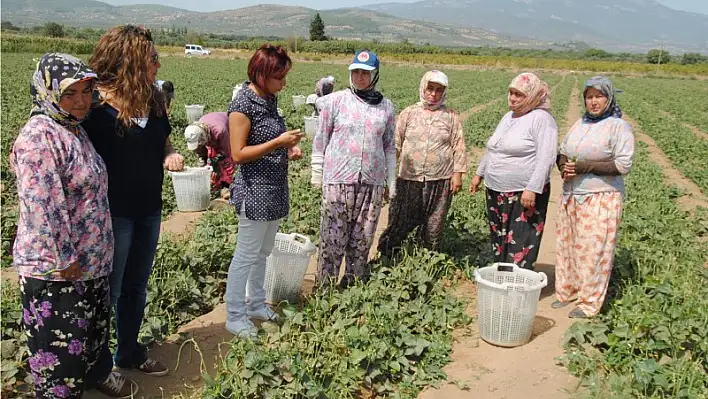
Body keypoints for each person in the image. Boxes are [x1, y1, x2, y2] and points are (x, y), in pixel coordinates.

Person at [82, 25, 184, 396]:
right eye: (153, 59)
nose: (158, 64)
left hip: (149, 208)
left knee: (136, 287)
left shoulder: (154, 100)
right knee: (108, 291)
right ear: (132, 62)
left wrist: (170, 153)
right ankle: (99, 366)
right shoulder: (93, 106)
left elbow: (164, 138)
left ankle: (129, 351)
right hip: (113, 214)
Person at [10, 53, 115, 399]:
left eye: (86, 91)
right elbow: (43, 207)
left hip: (88, 267)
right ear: (49, 91)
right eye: (71, 94)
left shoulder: (72, 130)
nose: (82, 101)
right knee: (59, 369)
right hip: (57, 274)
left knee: (83, 354)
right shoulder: (38, 138)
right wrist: (65, 259)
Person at [225, 44, 304, 338]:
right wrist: (278, 143)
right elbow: (238, 153)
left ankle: (256, 304)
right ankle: (235, 314)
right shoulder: (242, 105)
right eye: (280, 77)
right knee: (246, 254)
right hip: (254, 191)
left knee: (263, 252)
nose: (284, 84)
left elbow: (272, 136)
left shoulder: (269, 100)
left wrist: (290, 147)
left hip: (273, 189)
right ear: (262, 74)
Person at [311, 50, 396, 287]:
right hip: (338, 180)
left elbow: (389, 146)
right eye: (356, 72)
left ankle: (352, 287)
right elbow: (320, 139)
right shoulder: (335, 101)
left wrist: (392, 181)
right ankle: (324, 290)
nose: (360, 77)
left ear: (375, 75)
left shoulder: (386, 107)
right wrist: (317, 172)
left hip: (372, 182)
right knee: (332, 238)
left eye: (366, 73)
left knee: (362, 238)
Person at [554, 76, 634, 319]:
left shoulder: (618, 127)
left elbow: (623, 164)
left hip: (602, 198)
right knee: (568, 247)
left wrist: (585, 167)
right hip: (572, 195)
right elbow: (563, 152)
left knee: (594, 251)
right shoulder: (580, 124)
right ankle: (567, 291)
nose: (594, 102)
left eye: (599, 96)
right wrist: (564, 167)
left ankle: (589, 303)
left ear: (609, 98)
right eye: (589, 97)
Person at [469, 72, 558, 270]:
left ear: (533, 96)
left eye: (519, 94)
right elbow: (494, 147)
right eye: (511, 92)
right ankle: (502, 278)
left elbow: (547, 157)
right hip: (496, 189)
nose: (512, 98)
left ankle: (516, 284)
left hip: (522, 193)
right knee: (500, 238)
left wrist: (532, 188)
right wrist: (479, 174)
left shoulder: (541, 119)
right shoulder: (509, 116)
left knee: (520, 239)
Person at [378, 70, 467, 256]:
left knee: (434, 220)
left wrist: (457, 174)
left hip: (440, 178)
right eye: (430, 88)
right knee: (400, 219)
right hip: (409, 177)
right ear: (422, 87)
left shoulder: (450, 116)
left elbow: (458, 145)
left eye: (438, 90)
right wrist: (388, 173)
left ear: (444, 92)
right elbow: (395, 143)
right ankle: (388, 253)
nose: (433, 94)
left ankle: (426, 256)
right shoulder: (409, 113)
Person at [184, 112, 236, 197]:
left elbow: (227, 152)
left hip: (230, 127)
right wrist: (204, 164)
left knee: (224, 161)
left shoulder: (220, 131)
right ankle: (214, 182)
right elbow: (203, 152)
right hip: (211, 132)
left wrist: (214, 161)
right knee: (210, 161)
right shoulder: (195, 130)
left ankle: (227, 185)